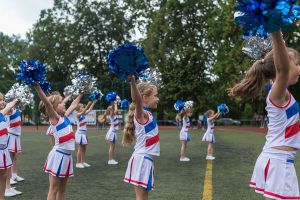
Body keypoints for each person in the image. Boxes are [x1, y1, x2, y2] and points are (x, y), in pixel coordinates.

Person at [230, 30, 300, 199]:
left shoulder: (281, 92)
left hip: (280, 160)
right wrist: (276, 30)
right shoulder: (278, 93)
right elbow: (282, 69)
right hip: (278, 161)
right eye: (296, 64)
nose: (299, 68)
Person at [123, 75, 160, 200]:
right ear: (144, 98)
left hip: (145, 159)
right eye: (155, 96)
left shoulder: (148, 114)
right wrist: (132, 81)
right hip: (142, 160)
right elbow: (137, 100)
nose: (157, 98)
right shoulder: (141, 115)